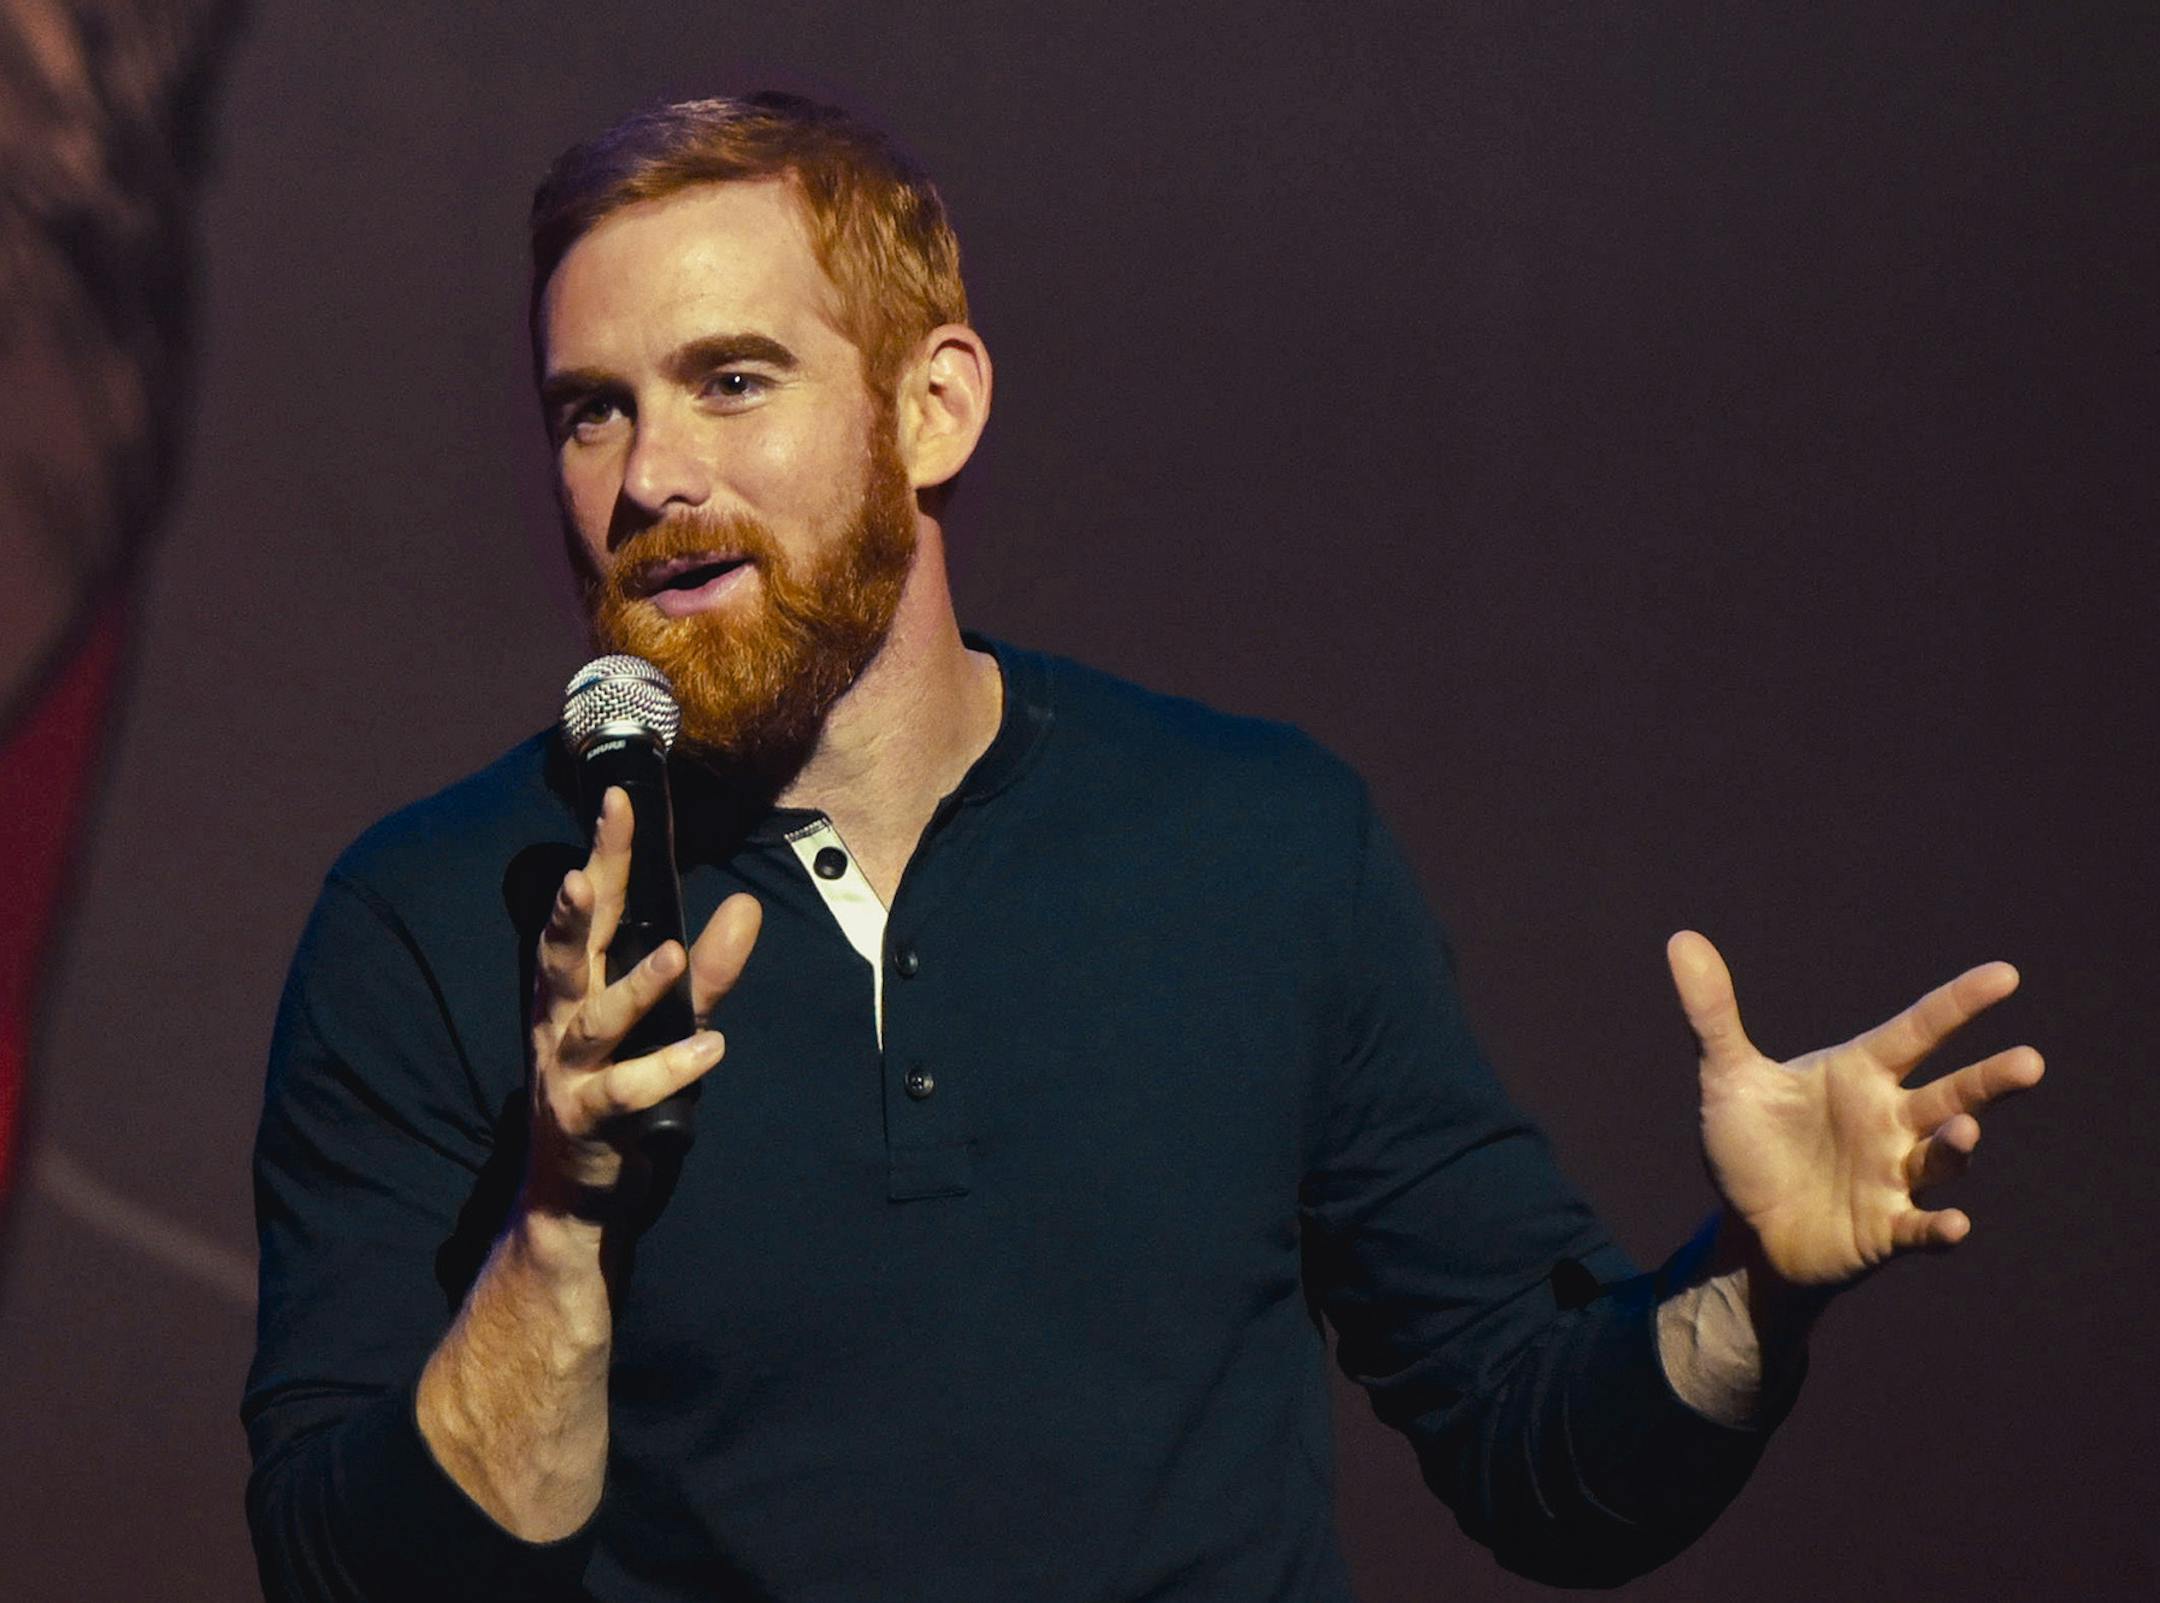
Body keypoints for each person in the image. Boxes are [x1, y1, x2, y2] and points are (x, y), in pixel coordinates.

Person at [242, 93, 2044, 1602]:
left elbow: (1537, 1454)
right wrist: (559, 1229)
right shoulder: (441, 914)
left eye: (730, 381)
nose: (649, 479)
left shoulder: (1256, 846)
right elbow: (344, 1575)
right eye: (591, 409)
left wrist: (1754, 1285)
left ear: (932, 407)